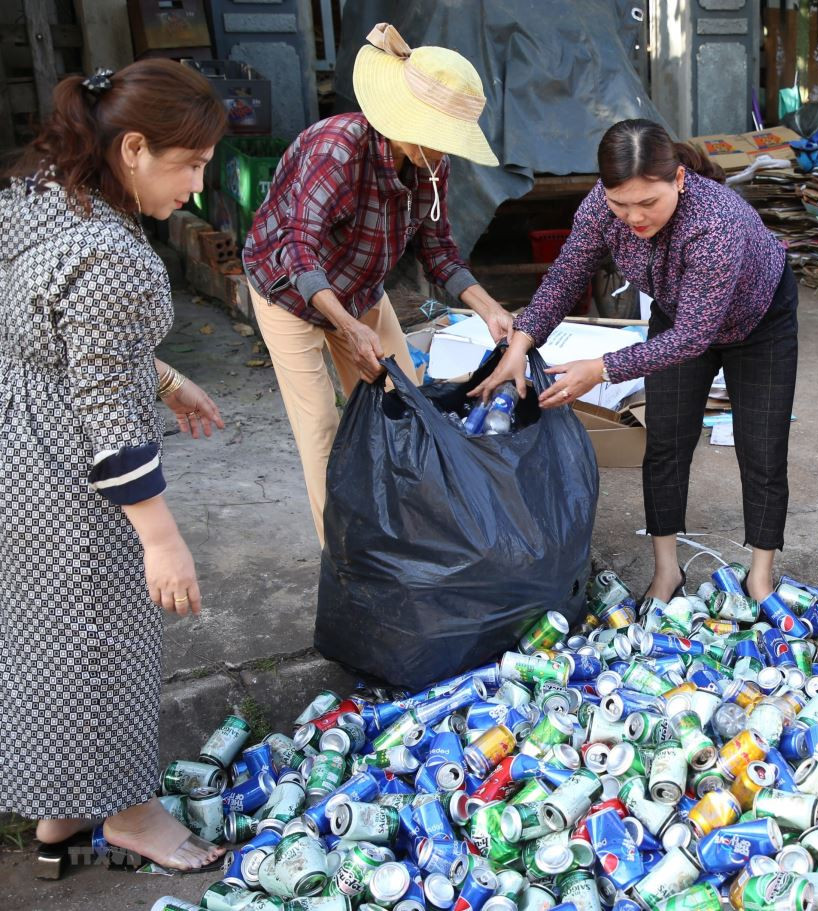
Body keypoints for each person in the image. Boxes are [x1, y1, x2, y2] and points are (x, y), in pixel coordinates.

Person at [0, 60, 228, 877]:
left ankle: (59, 819)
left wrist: (166, 377)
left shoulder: (41, 193)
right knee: (104, 640)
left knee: (47, 640)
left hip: (16, 453)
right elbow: (106, 417)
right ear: (134, 147)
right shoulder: (117, 255)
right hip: (70, 474)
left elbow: (59, 336)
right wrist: (160, 536)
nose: (198, 187)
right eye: (190, 164)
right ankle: (130, 812)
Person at [473, 119, 798, 603]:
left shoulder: (717, 223)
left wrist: (601, 368)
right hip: (678, 311)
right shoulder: (602, 209)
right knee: (665, 441)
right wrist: (519, 345)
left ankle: (760, 576)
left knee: (763, 447)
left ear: (679, 180)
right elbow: (565, 277)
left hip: (759, 319)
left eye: (648, 203)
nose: (634, 217)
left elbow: (694, 335)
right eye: (621, 204)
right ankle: (667, 571)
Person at [242, 23, 514, 547]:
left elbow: (438, 251)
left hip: (361, 288)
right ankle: (341, 558)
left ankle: (402, 531)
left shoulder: (431, 165)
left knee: (406, 407)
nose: (443, 152)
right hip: (288, 292)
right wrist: (345, 327)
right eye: (437, 138)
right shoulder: (337, 149)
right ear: (405, 121)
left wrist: (488, 309)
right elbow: (298, 248)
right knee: (321, 428)